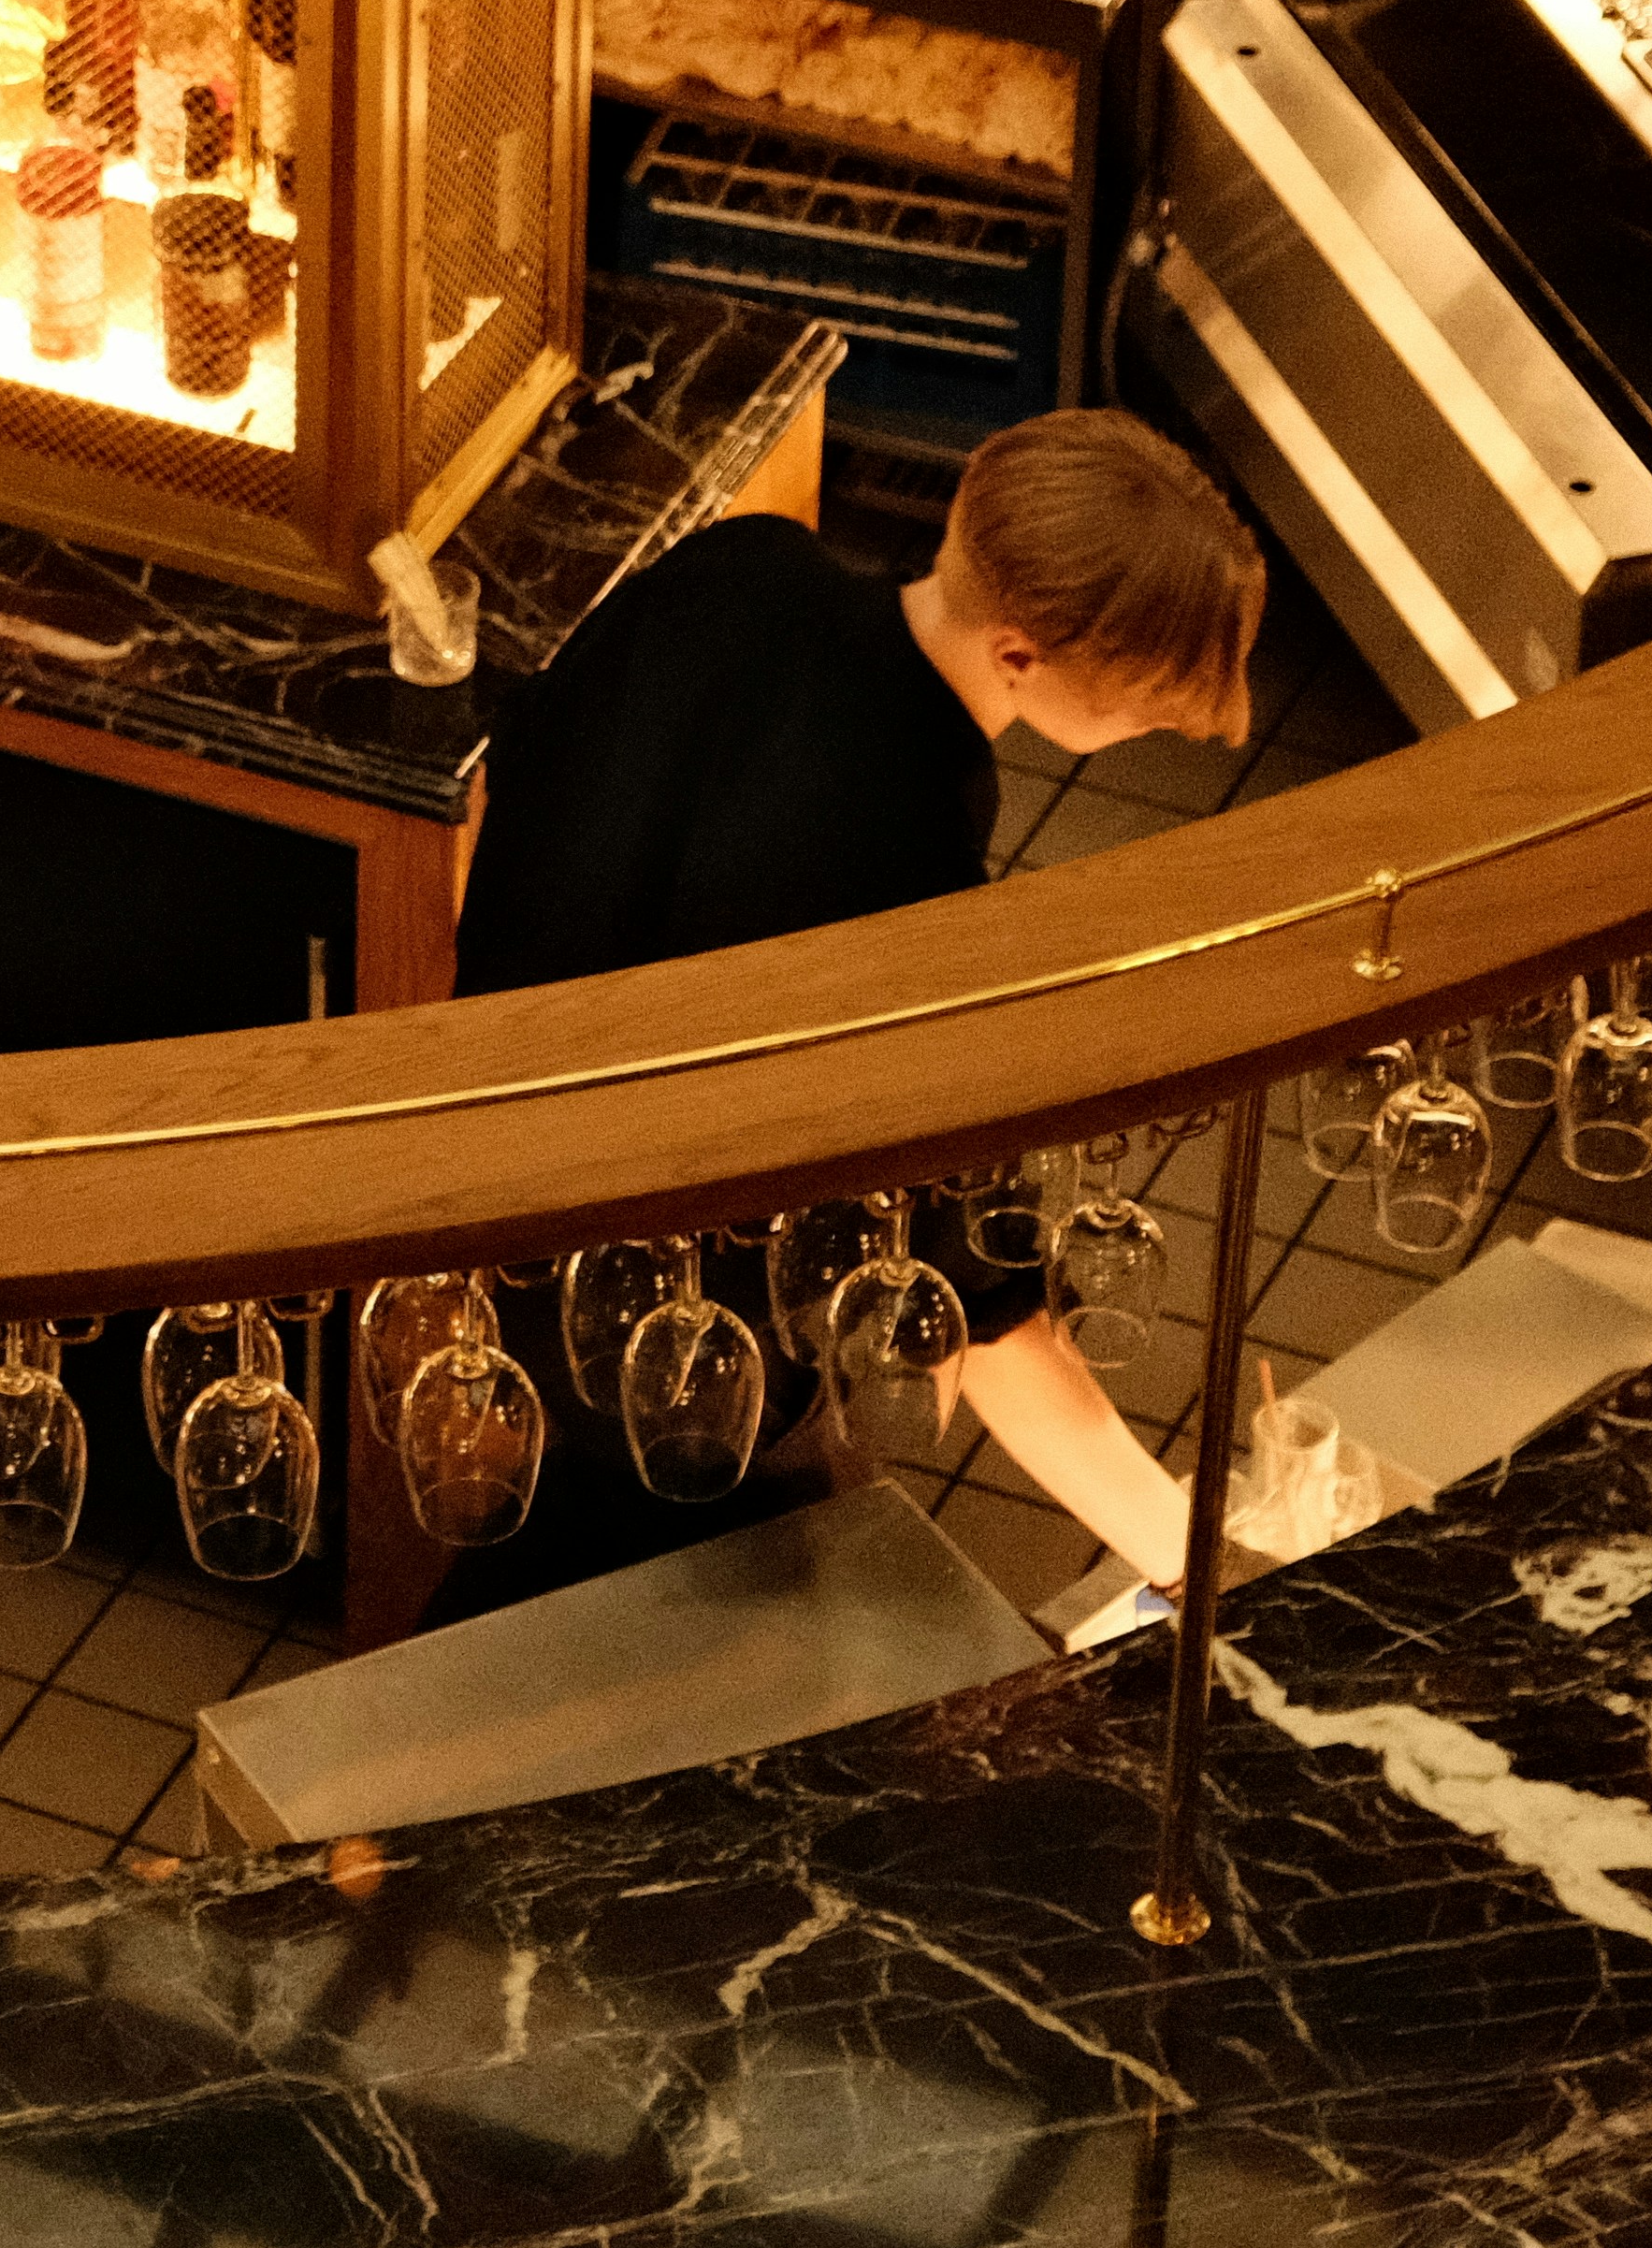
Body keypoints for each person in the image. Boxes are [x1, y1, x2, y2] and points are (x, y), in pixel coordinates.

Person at [428, 409, 1267, 1618]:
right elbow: (984, 1312)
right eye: (1146, 707)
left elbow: (524, 772)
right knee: (624, 1601)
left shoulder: (743, 564)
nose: (1166, 732)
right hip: (662, 1321)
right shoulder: (908, 871)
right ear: (1021, 655)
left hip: (482, 1156)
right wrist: (1196, 1565)